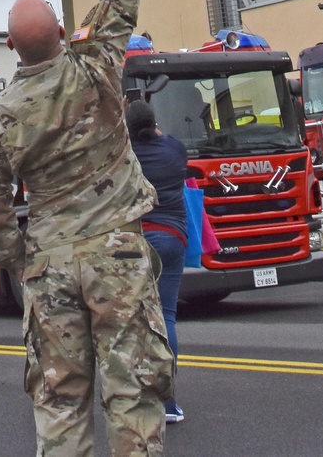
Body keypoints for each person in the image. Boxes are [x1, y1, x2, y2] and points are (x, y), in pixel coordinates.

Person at [0, 0, 173, 457]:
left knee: (60, 403)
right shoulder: (97, 65)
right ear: (62, 31)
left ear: (9, 46)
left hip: (51, 263)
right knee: (131, 395)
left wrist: (15, 263)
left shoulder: (2, 117)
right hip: (117, 253)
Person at [125, 99, 188, 425]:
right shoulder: (174, 151)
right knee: (166, 316)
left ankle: (137, 398)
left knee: (134, 320)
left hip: (134, 243)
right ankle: (168, 402)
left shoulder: (125, 155)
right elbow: (163, 137)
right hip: (172, 239)